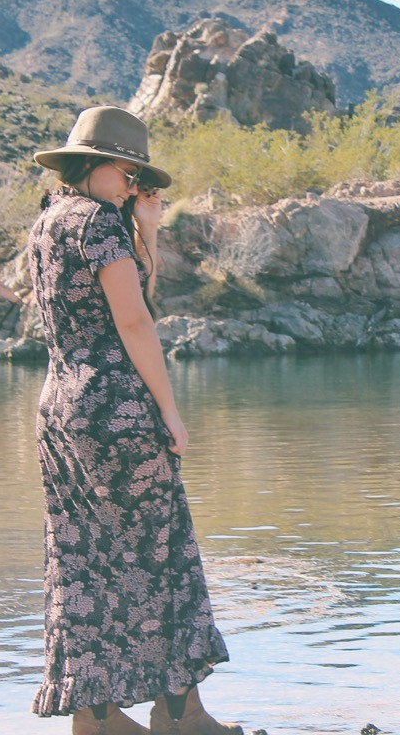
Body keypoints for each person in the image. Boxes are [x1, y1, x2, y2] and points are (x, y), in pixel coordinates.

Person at [27, 107, 243, 735]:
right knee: (162, 556)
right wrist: (171, 413)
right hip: (117, 410)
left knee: (82, 561)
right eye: (127, 173)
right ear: (96, 166)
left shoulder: (48, 221)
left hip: (60, 409)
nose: (131, 186)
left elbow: (119, 298)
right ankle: (182, 716)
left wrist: (146, 226)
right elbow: (134, 321)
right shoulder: (97, 221)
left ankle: (97, 720)